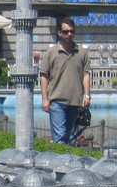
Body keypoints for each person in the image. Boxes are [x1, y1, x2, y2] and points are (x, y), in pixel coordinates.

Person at [39, 16, 92, 144]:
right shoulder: (51, 53)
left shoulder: (81, 52)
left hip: (75, 102)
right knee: (60, 137)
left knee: (70, 137)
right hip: (56, 100)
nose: (69, 34)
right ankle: (58, 157)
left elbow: (86, 74)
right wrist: (45, 99)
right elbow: (44, 76)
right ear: (59, 33)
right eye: (65, 31)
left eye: (72, 31)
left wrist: (87, 95)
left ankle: (64, 156)